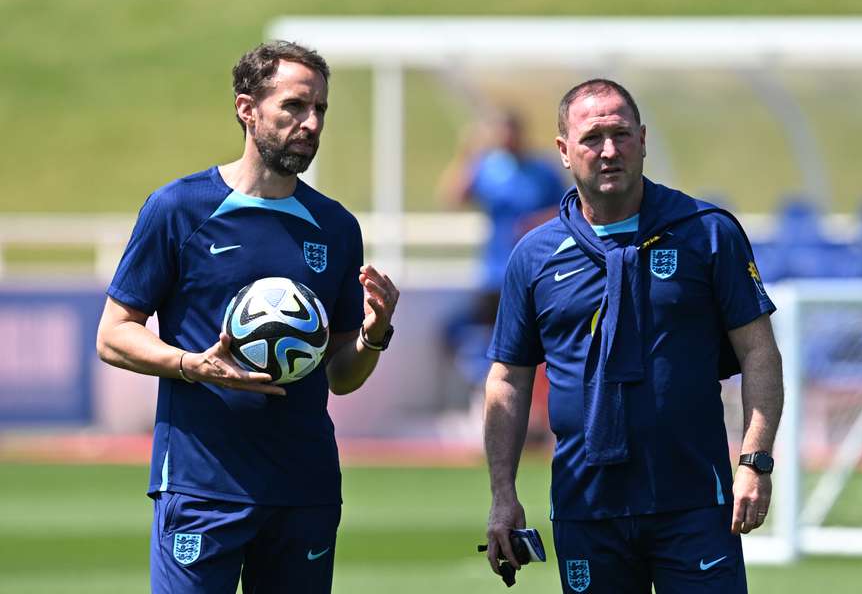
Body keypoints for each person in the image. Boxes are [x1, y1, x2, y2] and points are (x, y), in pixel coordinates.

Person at [96, 41, 399, 594]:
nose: (310, 124)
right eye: (294, 106)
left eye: (320, 110)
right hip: (201, 486)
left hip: (303, 487)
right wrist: (192, 364)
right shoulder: (179, 208)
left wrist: (376, 335)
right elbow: (113, 336)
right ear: (247, 108)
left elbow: (341, 376)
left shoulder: (335, 227)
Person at [483, 78, 783, 593]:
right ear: (562, 150)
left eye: (621, 135)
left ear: (643, 140)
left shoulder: (707, 232)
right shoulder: (533, 255)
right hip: (587, 506)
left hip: (693, 504)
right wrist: (502, 493)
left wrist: (755, 461)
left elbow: (759, 352)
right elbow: (508, 378)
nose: (608, 151)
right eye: (591, 138)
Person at [438, 110, 564, 432]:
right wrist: (469, 153)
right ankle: (491, 412)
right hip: (495, 273)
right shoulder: (490, 168)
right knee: (492, 344)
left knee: (537, 344)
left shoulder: (542, 171)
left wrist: (535, 224)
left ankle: (537, 419)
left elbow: (568, 209)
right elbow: (454, 197)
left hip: (535, 272)